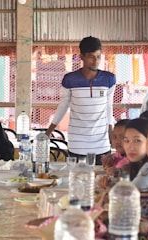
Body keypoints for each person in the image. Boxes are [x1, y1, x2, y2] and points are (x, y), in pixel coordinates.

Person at [45, 36, 116, 165]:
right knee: (77, 179)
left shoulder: (109, 79)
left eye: (98, 56)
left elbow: (109, 107)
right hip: (77, 143)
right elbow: (63, 106)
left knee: (103, 180)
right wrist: (49, 132)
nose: (96, 61)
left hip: (101, 142)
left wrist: (111, 133)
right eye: (91, 57)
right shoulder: (70, 79)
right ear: (81, 57)